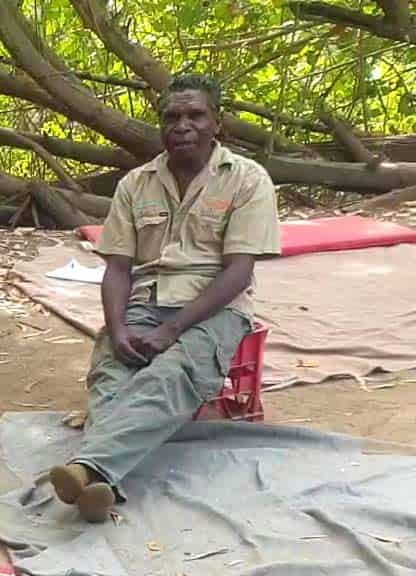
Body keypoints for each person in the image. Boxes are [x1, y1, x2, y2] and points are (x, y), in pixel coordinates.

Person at [48, 73, 281, 523]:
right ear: (160, 127)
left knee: (172, 374)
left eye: (195, 115)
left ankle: (90, 468)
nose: (183, 125)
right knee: (111, 374)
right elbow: (117, 269)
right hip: (146, 300)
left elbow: (239, 272)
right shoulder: (136, 184)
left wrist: (173, 329)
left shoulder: (248, 180)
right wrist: (117, 330)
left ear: (218, 124)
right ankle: (102, 484)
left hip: (214, 308)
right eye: (172, 117)